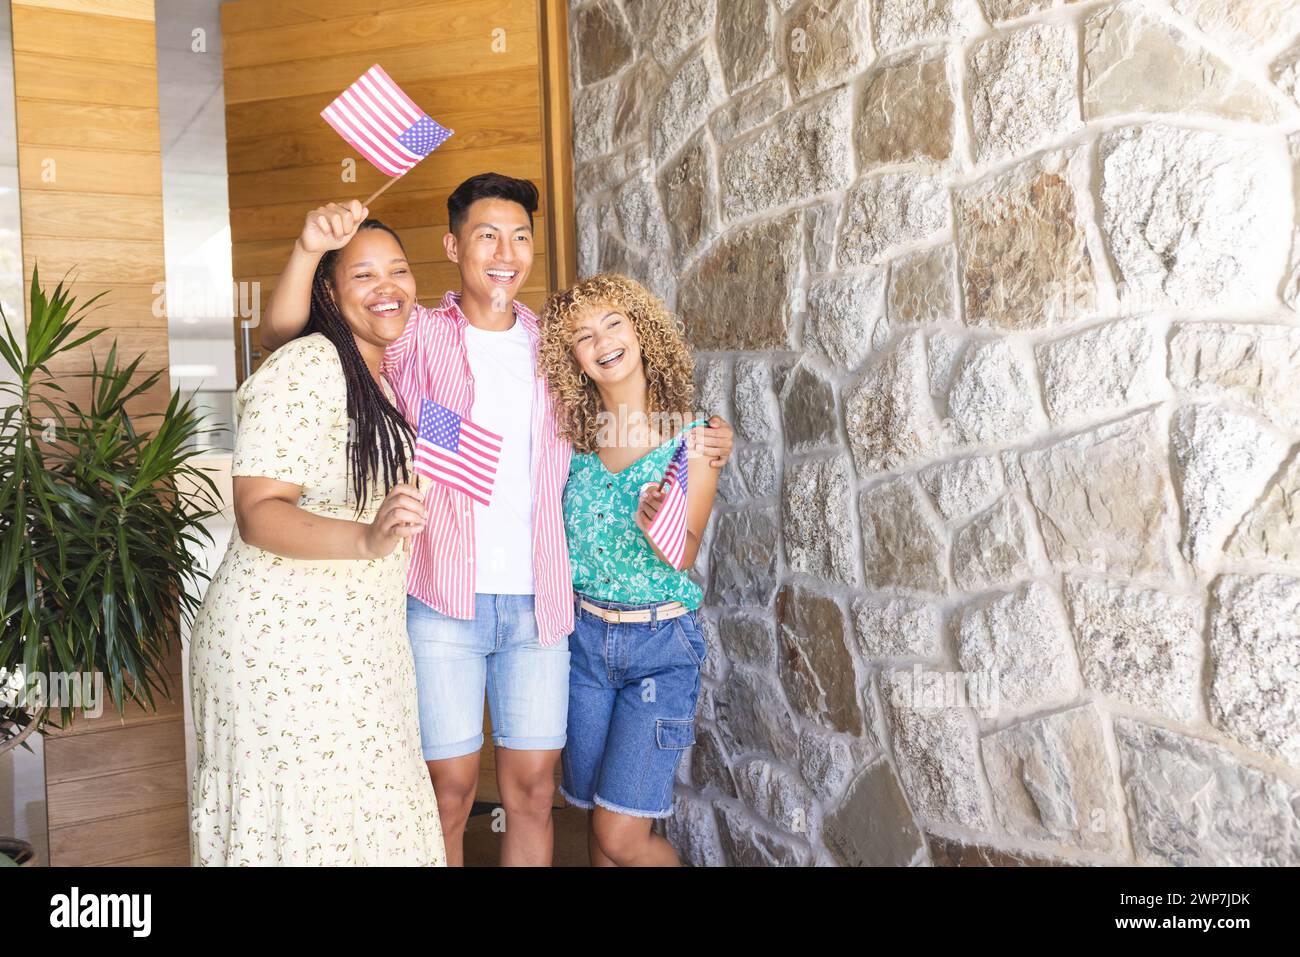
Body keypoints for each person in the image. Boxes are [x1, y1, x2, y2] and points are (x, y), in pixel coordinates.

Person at [259, 172, 734, 866]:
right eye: (487, 234)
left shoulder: (556, 351)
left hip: (542, 608)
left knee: (535, 793)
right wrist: (307, 250)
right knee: (448, 793)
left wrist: (702, 438)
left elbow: (627, 422)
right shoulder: (413, 333)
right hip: (442, 600)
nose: (505, 250)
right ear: (454, 246)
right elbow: (284, 335)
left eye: (519, 236)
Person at [189, 216, 445, 866]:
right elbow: (257, 511)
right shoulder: (309, 365)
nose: (387, 286)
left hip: (350, 649)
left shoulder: (378, 375)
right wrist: (366, 536)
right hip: (286, 654)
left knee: (358, 825)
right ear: (328, 294)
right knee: (310, 830)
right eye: (364, 274)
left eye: (398, 269)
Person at [537, 273, 721, 867]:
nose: (603, 340)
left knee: (622, 836)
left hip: (659, 644)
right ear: (574, 360)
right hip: (584, 644)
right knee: (600, 821)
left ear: (641, 330)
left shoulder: (693, 440)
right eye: (583, 336)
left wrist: (658, 523)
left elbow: (685, 552)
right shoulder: (573, 442)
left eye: (614, 322)